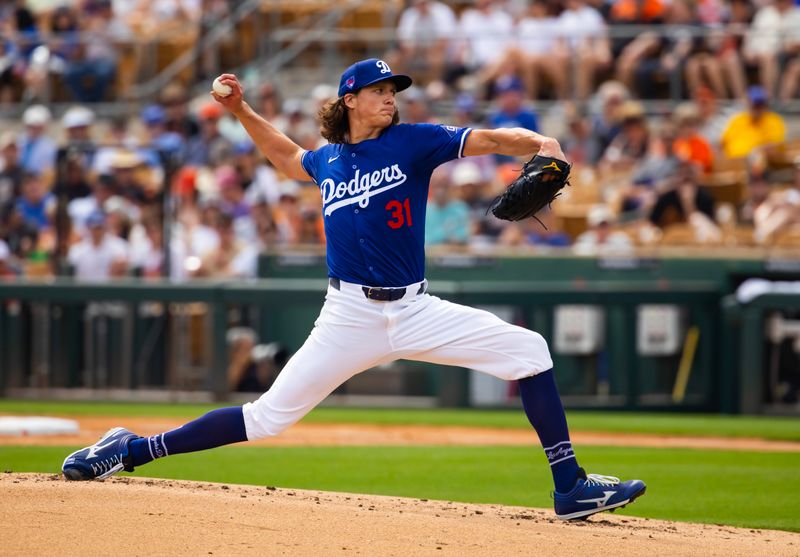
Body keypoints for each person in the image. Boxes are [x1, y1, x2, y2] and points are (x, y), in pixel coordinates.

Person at [61, 58, 645, 521]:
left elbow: (491, 139)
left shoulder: (415, 140)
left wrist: (543, 144)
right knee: (267, 419)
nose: (391, 97)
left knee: (531, 351)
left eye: (394, 89)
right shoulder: (329, 160)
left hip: (415, 308)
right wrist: (241, 110)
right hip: (347, 316)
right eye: (380, 90)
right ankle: (130, 449)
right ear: (351, 99)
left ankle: (569, 486)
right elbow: (288, 158)